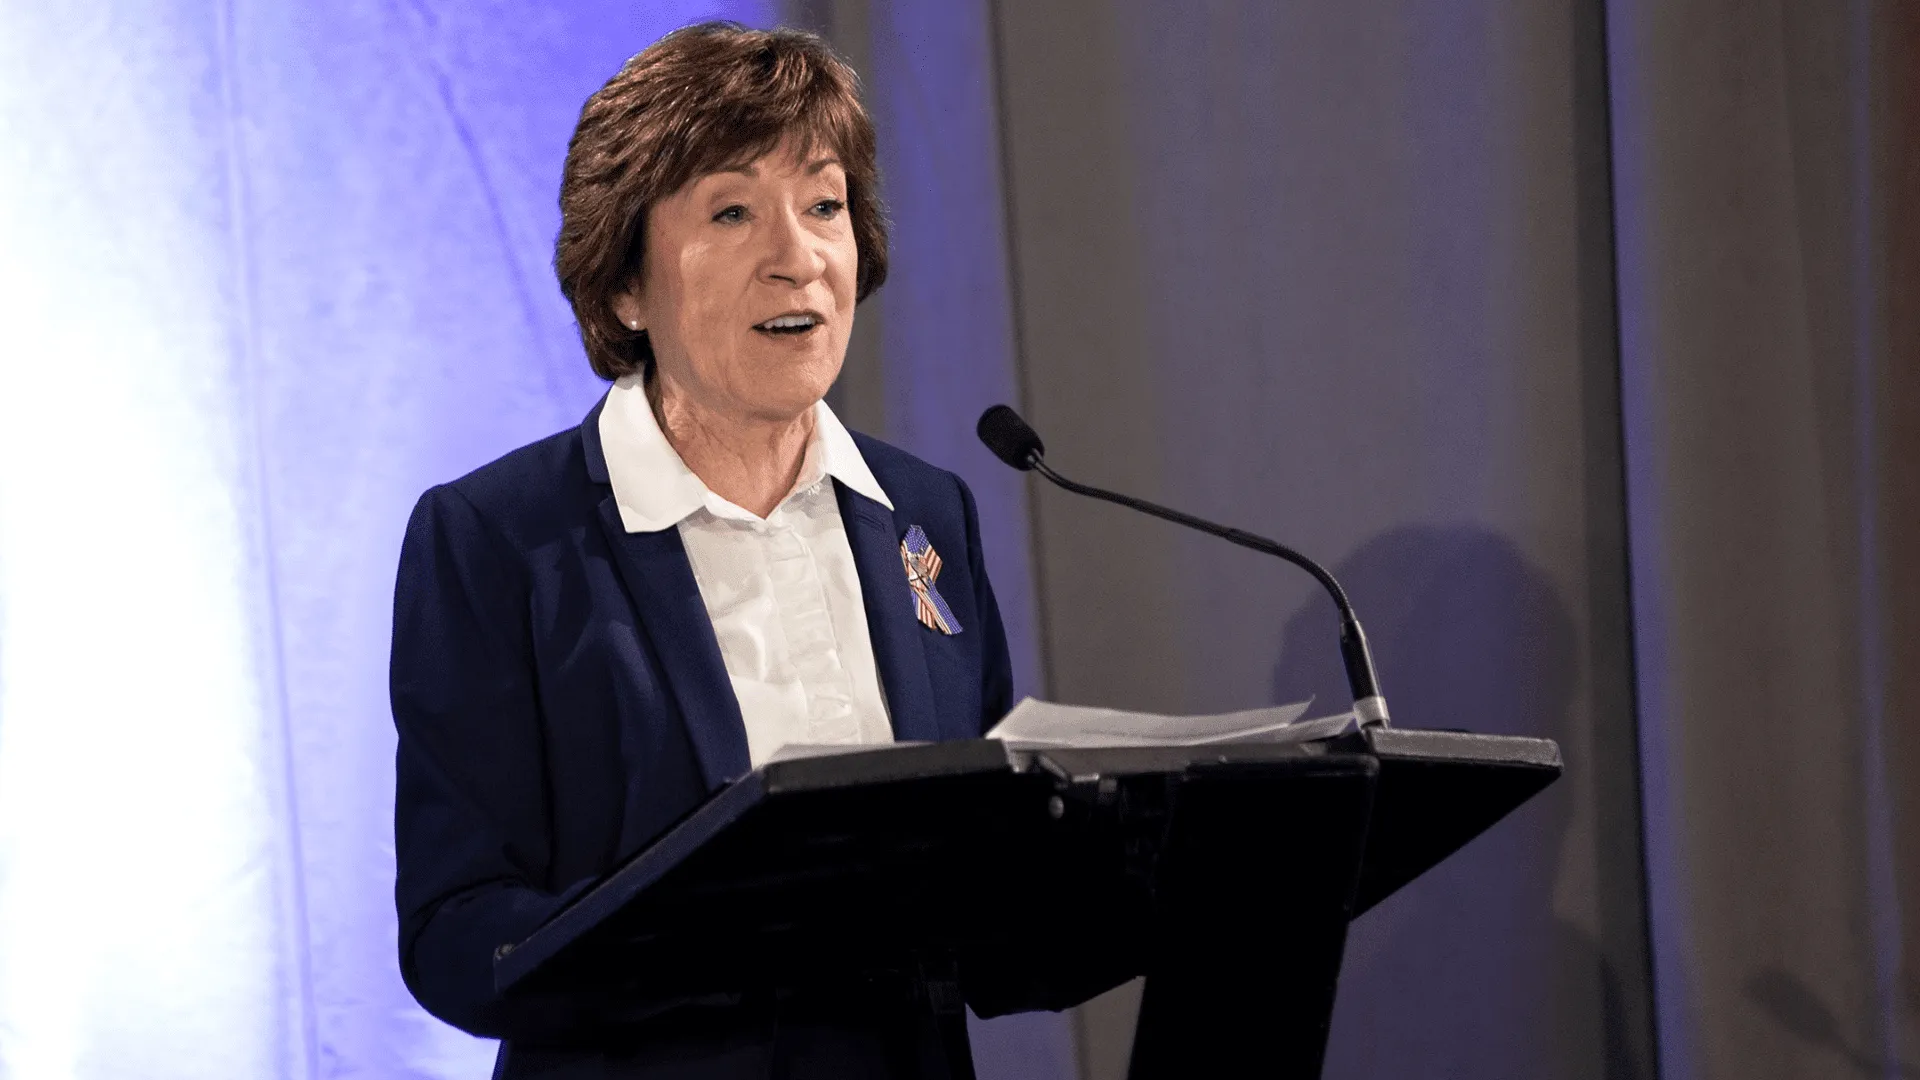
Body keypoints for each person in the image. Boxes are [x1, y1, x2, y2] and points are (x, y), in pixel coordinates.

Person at [388, 21, 1013, 1079]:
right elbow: (456, 936)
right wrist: (716, 932)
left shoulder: (923, 512)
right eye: (732, 211)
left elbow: (994, 880)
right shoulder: (497, 539)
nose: (800, 256)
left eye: (824, 205)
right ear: (625, 285)